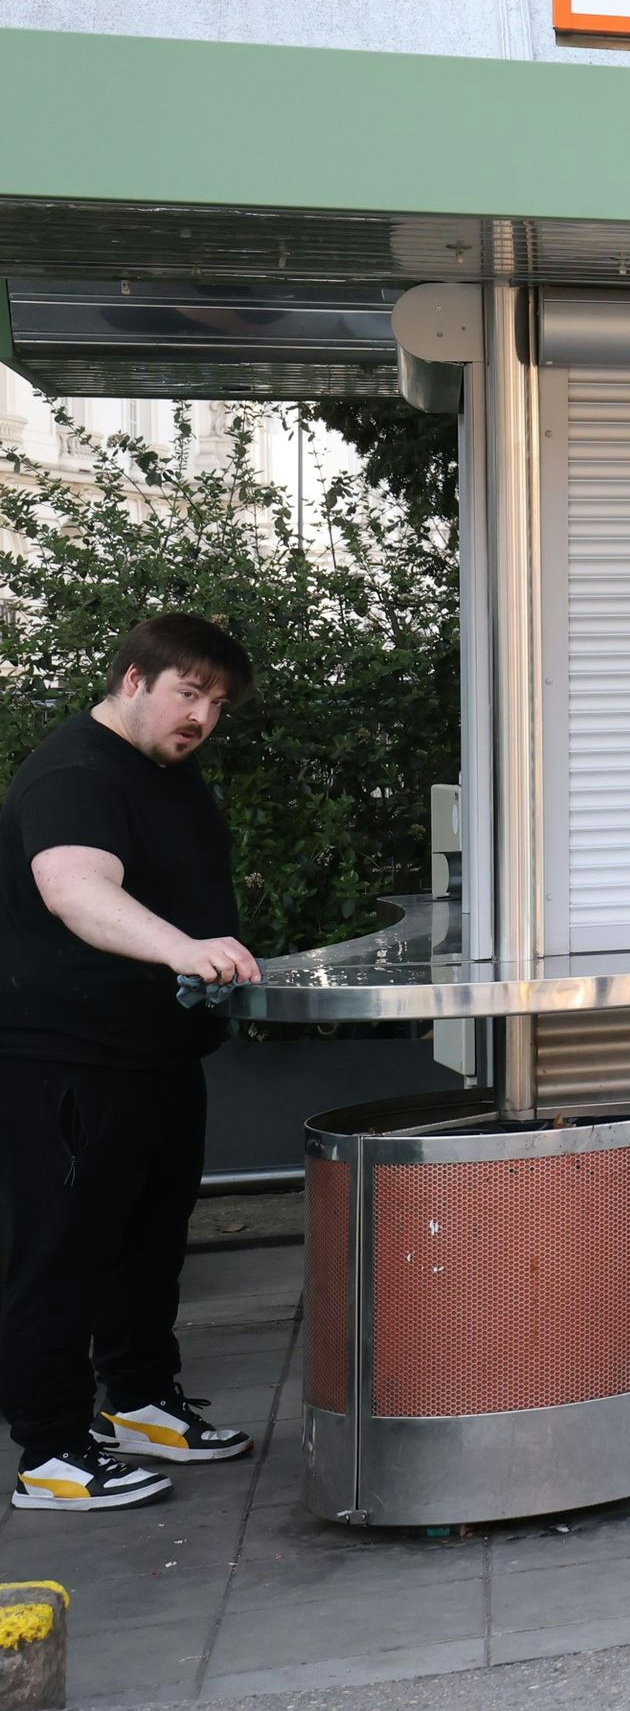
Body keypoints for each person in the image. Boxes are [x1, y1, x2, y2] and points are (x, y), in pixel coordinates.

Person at [1, 614, 266, 1511]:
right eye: (188, 694)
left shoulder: (166, 773)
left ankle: (142, 1402)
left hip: (155, 1055)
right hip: (68, 1061)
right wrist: (183, 950)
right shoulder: (76, 773)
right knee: (59, 1253)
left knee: (149, 1243)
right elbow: (75, 889)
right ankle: (50, 1452)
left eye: (217, 704)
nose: (202, 718)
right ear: (132, 680)